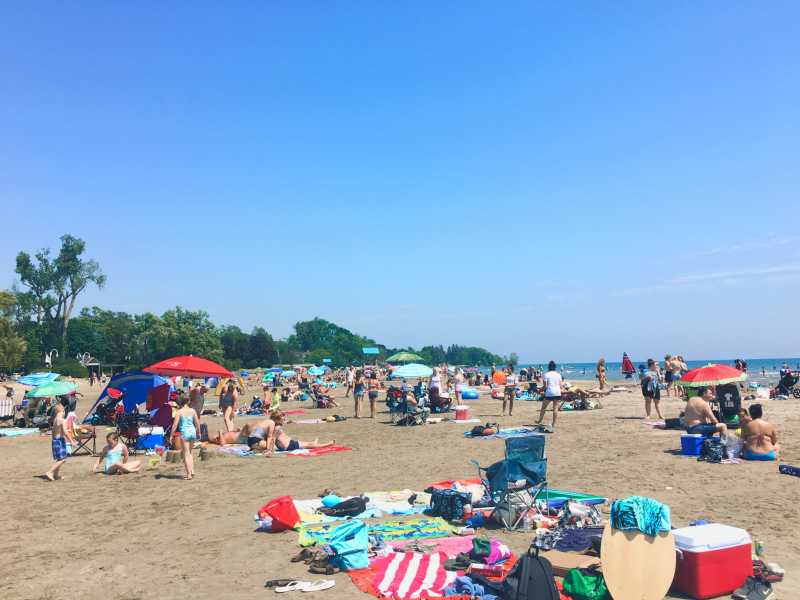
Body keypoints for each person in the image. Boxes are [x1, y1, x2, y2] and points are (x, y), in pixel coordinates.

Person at [254, 412, 335, 456]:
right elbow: (273, 439)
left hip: (289, 444)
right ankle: (327, 444)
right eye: (282, 417)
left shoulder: (275, 426)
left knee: (305, 443)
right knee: (308, 445)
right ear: (277, 420)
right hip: (289, 446)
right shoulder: (277, 428)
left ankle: (314, 443)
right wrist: (270, 450)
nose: (284, 418)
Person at [171, 396, 201, 480]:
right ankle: (192, 471)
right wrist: (199, 432)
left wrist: (171, 435)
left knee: (186, 454)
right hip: (192, 431)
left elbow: (175, 425)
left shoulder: (179, 412)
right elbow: (197, 422)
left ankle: (189, 475)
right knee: (190, 453)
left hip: (185, 432)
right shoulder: (192, 411)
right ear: (188, 401)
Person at [44, 403, 75, 481]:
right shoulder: (62, 420)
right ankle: (50, 472)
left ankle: (56, 475)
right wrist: (71, 441)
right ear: (62, 411)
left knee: (59, 459)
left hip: (54, 441)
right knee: (63, 459)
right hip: (59, 441)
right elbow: (65, 432)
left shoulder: (55, 420)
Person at [536, 361, 562, 428]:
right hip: (557, 392)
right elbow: (560, 386)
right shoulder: (558, 375)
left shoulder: (546, 374)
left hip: (550, 392)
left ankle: (539, 420)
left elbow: (545, 387)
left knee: (543, 408)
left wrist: (539, 390)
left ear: (548, 367)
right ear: (555, 367)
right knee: (555, 409)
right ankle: (553, 424)